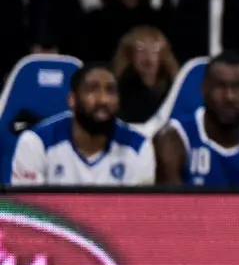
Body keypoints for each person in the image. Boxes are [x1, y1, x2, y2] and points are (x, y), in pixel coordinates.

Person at [155, 54, 239, 186]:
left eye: (238, 87)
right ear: (204, 89)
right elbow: (170, 208)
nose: (229, 97)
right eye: (220, 86)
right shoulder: (174, 139)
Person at [9, 63, 152, 186]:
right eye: (92, 90)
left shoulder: (138, 147)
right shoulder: (36, 142)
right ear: (72, 99)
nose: (103, 100)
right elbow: (30, 213)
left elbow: (139, 214)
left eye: (111, 91)